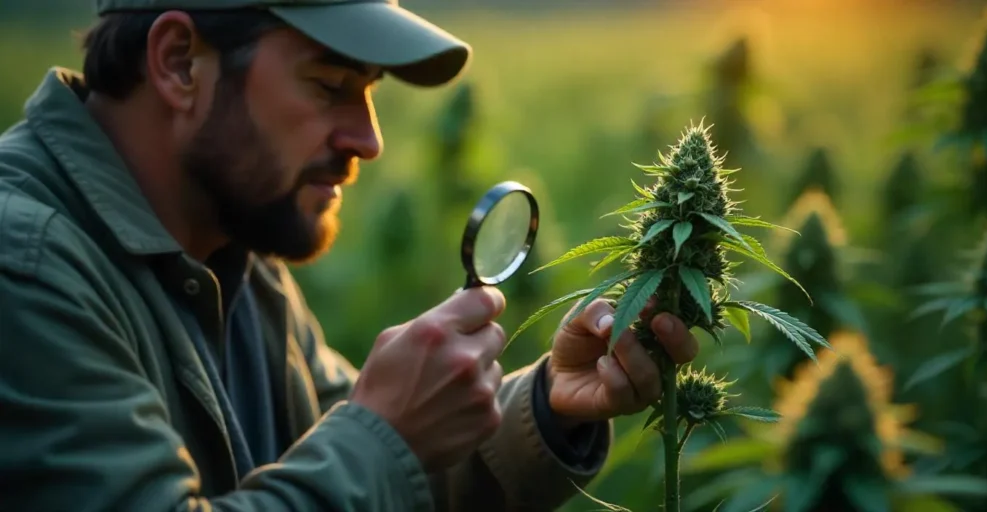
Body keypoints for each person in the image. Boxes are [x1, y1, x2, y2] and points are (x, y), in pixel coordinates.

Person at [0, 1, 700, 510]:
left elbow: (355, 467)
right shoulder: (25, 268)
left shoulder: (232, 244)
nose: (368, 140)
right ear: (179, 62)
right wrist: (386, 433)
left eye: (369, 93)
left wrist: (546, 408)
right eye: (331, 86)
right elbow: (367, 458)